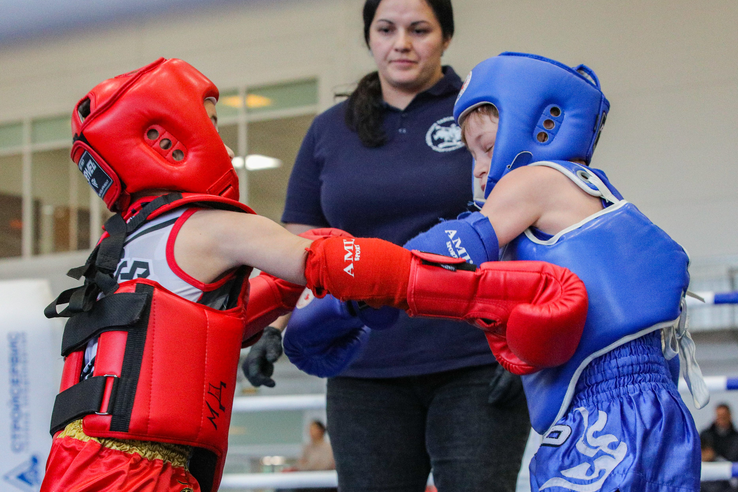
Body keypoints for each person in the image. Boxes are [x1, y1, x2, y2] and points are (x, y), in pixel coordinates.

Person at [39, 57, 588, 492]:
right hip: (139, 476)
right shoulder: (211, 225)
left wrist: (304, 300)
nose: (223, 142)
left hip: (73, 464)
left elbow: (193, 325)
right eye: (208, 123)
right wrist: (485, 296)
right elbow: (335, 264)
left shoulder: (118, 248)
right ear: (165, 138)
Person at [243, 1, 533, 491]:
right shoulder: (331, 129)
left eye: (419, 29)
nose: (402, 43)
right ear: (369, 36)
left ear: (445, 37)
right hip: (362, 366)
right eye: (386, 29)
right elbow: (298, 243)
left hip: (475, 359)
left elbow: (530, 220)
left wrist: (525, 344)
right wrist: (273, 327)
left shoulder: (481, 113)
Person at [402, 51, 708, 491]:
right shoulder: (593, 191)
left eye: (487, 147)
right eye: (471, 155)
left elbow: (451, 255)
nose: (481, 167)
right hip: (650, 408)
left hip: (608, 413)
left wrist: (354, 277)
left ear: (543, 125)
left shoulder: (533, 180)